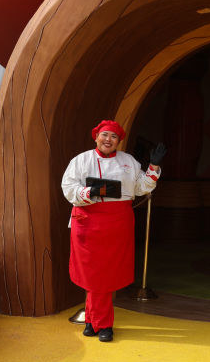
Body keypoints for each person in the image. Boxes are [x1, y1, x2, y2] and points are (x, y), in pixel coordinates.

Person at [61, 120, 166, 342]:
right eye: (105, 135)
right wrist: (94, 191)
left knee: (106, 274)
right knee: (93, 275)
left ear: (119, 141)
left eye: (114, 137)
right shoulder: (81, 160)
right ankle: (103, 324)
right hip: (87, 222)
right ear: (96, 136)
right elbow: (68, 188)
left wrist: (154, 166)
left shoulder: (128, 161)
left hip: (117, 224)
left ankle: (93, 322)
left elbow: (141, 187)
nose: (108, 140)